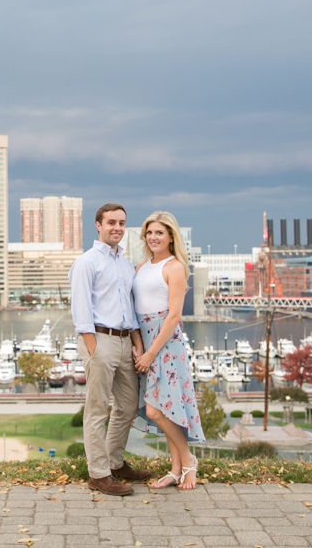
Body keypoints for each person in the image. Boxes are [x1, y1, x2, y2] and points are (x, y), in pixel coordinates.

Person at [69, 203, 152, 496]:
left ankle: (115, 462)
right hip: (99, 340)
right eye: (111, 222)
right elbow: (81, 312)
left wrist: (135, 343)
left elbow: (130, 308)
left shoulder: (126, 264)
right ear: (98, 225)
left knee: (128, 405)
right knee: (97, 409)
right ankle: (99, 474)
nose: (117, 227)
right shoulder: (87, 262)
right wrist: (94, 349)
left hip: (124, 341)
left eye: (121, 223)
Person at [132, 211, 205, 489]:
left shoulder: (175, 267)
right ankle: (176, 470)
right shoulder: (141, 266)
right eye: (149, 232)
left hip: (166, 342)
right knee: (166, 407)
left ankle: (188, 460)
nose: (153, 237)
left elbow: (174, 315)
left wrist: (151, 353)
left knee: (156, 410)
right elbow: (134, 311)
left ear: (171, 236)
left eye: (159, 233)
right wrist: (139, 346)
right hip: (145, 339)